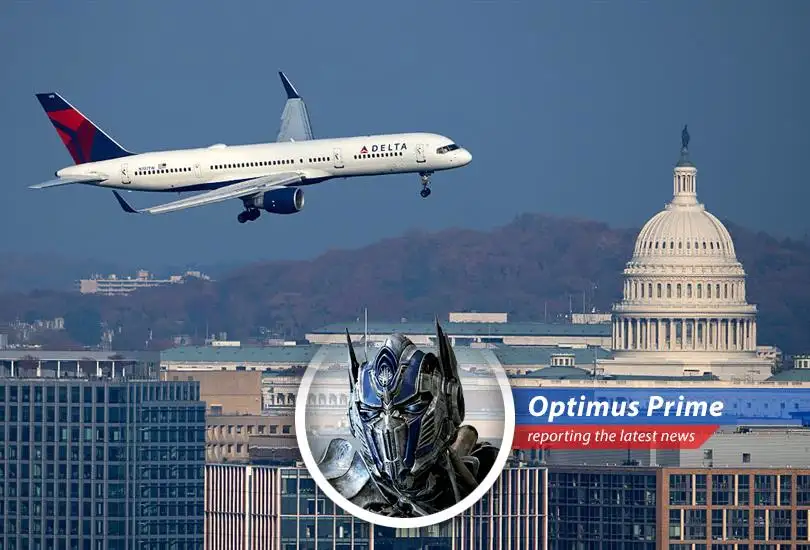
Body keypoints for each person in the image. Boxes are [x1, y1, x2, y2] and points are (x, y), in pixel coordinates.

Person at [317, 321, 499, 517]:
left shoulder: (481, 472)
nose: (388, 426)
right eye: (373, 411)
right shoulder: (336, 484)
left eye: (411, 407)